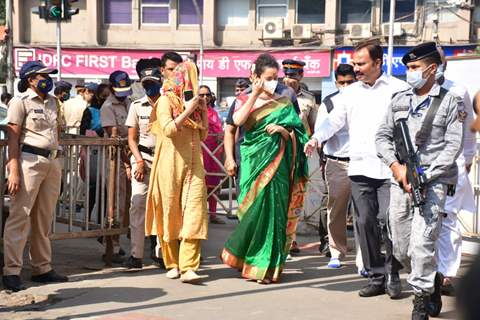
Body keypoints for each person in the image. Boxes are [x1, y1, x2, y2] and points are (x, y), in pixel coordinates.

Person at [304, 40, 408, 298]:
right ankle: (376, 276)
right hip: (360, 167)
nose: (356, 69)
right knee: (364, 223)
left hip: (390, 169)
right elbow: (333, 123)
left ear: (377, 63)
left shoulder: (399, 89)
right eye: (354, 64)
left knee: (390, 222)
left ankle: (393, 272)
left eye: (361, 64)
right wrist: (317, 138)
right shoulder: (349, 94)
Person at [376, 42, 464, 319]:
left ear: (431, 69)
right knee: (401, 246)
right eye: (408, 68)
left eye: (414, 68)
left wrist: (424, 176)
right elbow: (382, 137)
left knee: (422, 243)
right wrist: (396, 168)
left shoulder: (451, 101)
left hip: (434, 182)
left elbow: (454, 146)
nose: (409, 73)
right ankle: (433, 277)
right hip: (401, 180)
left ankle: (421, 299)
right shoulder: (399, 100)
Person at [221, 53, 308, 284]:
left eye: (275, 77)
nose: (274, 82)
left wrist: (282, 131)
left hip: (279, 164)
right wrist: (256, 94)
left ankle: (267, 267)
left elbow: (299, 131)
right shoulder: (241, 99)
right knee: (252, 213)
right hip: (250, 162)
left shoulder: (285, 99)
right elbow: (236, 124)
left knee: (274, 214)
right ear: (255, 77)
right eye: (268, 78)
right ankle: (247, 258)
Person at [2, 60, 68, 292]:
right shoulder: (19, 102)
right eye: (43, 75)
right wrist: (14, 169)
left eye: (49, 75)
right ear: (30, 79)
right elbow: (13, 137)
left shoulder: (53, 102)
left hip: (52, 161)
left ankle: (42, 268)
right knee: (20, 215)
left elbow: (57, 132)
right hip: (28, 161)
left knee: (44, 218)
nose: (47, 79)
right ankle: (11, 271)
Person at [146, 54, 209, 284]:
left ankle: (189, 266)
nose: (191, 82)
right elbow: (170, 129)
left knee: (195, 213)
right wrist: (187, 110)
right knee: (170, 210)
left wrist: (199, 109)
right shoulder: (165, 101)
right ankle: (172, 262)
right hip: (169, 164)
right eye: (188, 77)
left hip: (194, 166)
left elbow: (202, 134)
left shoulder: (194, 102)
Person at [434, 47, 476, 296]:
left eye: (437, 60)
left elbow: (469, 127)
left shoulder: (458, 91)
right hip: (421, 169)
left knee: (447, 219)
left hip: (453, 165)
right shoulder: (409, 93)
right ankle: (425, 272)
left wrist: (468, 157)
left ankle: (446, 274)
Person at [314, 63, 356, 268]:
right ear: (336, 82)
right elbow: (322, 131)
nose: (346, 86)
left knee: (364, 212)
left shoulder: (364, 99)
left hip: (363, 161)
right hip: (337, 163)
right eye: (342, 83)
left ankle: (364, 257)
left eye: (350, 82)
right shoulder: (329, 103)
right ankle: (336, 251)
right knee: (336, 210)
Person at [123, 58, 163, 269]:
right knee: (137, 205)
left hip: (164, 161)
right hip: (143, 159)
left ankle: (162, 254)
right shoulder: (137, 106)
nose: (149, 86)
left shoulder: (170, 104)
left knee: (163, 207)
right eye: (145, 83)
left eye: (153, 82)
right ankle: (136, 255)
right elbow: (132, 138)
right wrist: (137, 161)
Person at [282, 59, 320, 255]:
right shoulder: (276, 94)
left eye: (294, 76)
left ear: (301, 77)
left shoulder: (309, 99)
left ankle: (292, 237)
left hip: (300, 154)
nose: (290, 80)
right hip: (279, 152)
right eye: (287, 75)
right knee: (281, 195)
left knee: (297, 196)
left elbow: (314, 126)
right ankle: (282, 238)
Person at [100, 70, 133, 262]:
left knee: (131, 203)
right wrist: (126, 162)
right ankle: (112, 245)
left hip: (132, 157)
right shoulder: (107, 107)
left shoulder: (130, 103)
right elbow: (113, 137)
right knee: (116, 203)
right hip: (116, 161)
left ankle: (129, 240)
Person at [199, 85, 225, 225]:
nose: (205, 98)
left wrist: (221, 134)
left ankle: (213, 214)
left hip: (213, 151)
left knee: (213, 183)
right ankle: (201, 214)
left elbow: (219, 129)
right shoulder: (195, 111)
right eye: (201, 95)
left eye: (207, 95)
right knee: (200, 184)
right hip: (200, 151)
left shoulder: (214, 112)